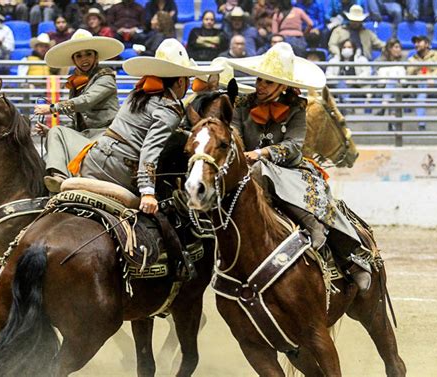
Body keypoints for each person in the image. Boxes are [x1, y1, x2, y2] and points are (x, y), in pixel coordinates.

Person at [227, 42, 372, 292]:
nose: (260, 86)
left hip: (289, 169)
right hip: (247, 169)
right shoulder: (241, 105)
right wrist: (241, 154)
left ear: (282, 86)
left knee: (324, 204)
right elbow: (235, 134)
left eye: (268, 82)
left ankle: (349, 257)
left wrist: (261, 153)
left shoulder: (297, 108)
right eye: (259, 80)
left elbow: (294, 146)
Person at [78, 38, 223, 214]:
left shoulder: (137, 94)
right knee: (171, 209)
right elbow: (151, 148)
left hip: (93, 160)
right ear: (179, 82)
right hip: (119, 170)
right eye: (187, 79)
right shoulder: (169, 109)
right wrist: (147, 191)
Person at [33, 29, 124, 192]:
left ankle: (60, 179)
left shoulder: (106, 78)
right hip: (85, 135)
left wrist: (52, 108)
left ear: (95, 57)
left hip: (104, 134)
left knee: (58, 132)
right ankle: (57, 178)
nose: (84, 59)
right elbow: (78, 122)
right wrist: (50, 133)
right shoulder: (76, 84)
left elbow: (86, 101)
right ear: (74, 60)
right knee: (55, 131)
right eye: (79, 56)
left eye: (88, 54)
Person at [406, 35, 437, 131]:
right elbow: (409, 74)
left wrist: (431, 77)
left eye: (419, 42)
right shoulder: (412, 59)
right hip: (420, 87)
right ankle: (421, 124)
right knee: (422, 88)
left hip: (436, 86)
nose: (416, 44)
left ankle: (421, 122)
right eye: (415, 42)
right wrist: (417, 66)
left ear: (427, 44)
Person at [326, 38, 371, 107]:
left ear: (354, 48)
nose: (346, 49)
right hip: (337, 89)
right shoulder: (334, 60)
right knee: (341, 84)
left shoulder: (361, 60)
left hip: (357, 88)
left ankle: (345, 105)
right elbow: (328, 75)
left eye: (349, 47)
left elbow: (367, 74)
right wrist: (340, 81)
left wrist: (355, 80)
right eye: (344, 47)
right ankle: (346, 103)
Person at [375, 37, 405, 130]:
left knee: (393, 82)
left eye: (399, 47)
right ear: (389, 48)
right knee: (392, 87)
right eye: (396, 47)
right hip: (382, 89)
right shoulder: (379, 61)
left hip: (402, 89)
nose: (398, 50)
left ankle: (384, 105)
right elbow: (377, 77)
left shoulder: (404, 60)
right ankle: (393, 124)